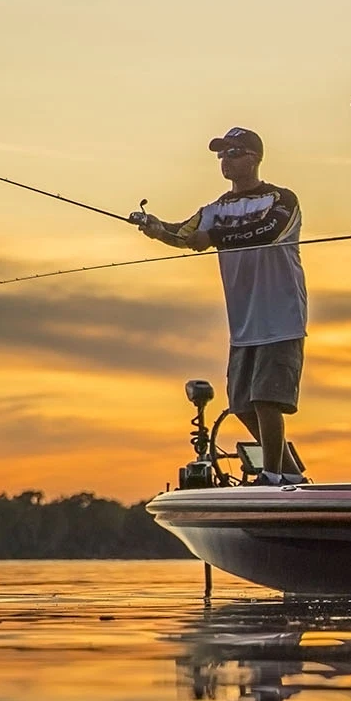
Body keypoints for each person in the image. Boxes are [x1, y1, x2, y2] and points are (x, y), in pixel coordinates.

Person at [133, 128, 308, 484]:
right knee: (242, 404)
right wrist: (154, 228)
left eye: (233, 153)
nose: (225, 160)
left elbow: (267, 232)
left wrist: (214, 238)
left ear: (255, 158)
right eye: (221, 154)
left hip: (281, 317)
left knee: (267, 399)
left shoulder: (282, 199)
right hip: (243, 324)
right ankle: (291, 474)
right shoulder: (214, 209)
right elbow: (183, 233)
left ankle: (272, 476)